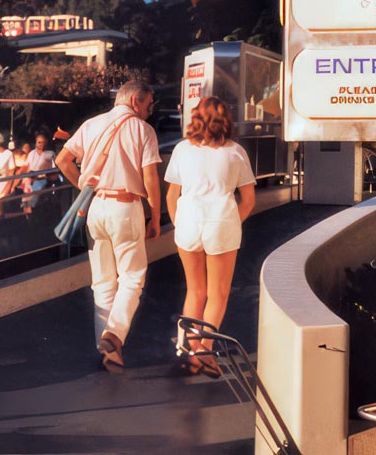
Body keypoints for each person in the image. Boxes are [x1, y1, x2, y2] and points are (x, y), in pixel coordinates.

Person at [56, 80, 161, 372]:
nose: (150, 111)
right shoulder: (142, 130)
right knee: (132, 278)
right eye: (149, 104)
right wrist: (155, 216)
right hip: (125, 207)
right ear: (136, 101)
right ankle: (113, 335)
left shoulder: (91, 124)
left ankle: (108, 352)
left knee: (102, 282)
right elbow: (150, 176)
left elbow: (63, 159)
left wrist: (84, 185)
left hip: (94, 207)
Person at [164, 95, 255, 377]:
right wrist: (230, 223)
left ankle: (191, 353)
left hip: (188, 221)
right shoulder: (235, 152)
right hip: (221, 221)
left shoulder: (182, 150)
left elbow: (171, 195)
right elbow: (248, 199)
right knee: (218, 294)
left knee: (195, 291)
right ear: (224, 120)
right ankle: (204, 350)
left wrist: (180, 224)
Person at [22, 133, 57, 215]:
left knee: (37, 188)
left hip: (43, 178)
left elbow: (54, 170)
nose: (41, 144)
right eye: (39, 142)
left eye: (43, 142)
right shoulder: (31, 153)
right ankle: (26, 211)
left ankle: (32, 210)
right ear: (36, 143)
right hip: (30, 178)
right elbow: (27, 166)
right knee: (26, 187)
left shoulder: (50, 154)